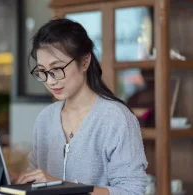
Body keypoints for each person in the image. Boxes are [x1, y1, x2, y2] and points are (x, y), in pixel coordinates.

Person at [12, 18, 148, 195]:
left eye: (57, 69)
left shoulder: (116, 119)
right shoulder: (45, 119)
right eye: (42, 71)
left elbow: (133, 192)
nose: (50, 81)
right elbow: (36, 179)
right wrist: (16, 180)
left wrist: (61, 186)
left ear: (85, 62)